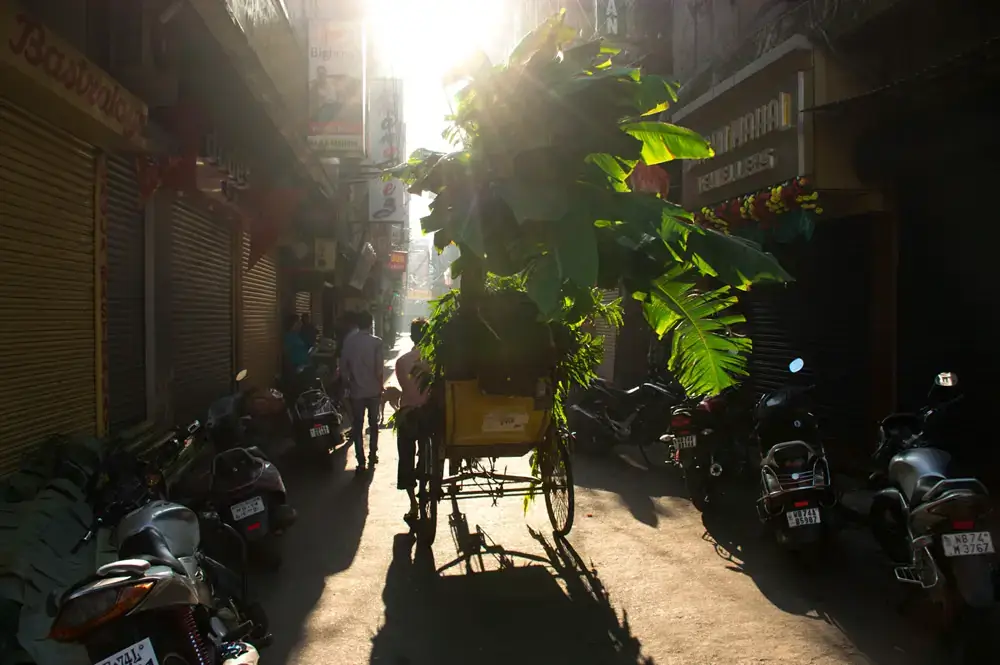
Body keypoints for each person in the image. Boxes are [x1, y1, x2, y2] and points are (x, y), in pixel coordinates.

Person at [395, 318, 431, 522]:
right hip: (428, 414)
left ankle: (413, 505)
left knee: (406, 457)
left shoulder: (402, 362)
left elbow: (405, 388)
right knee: (428, 454)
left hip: (408, 414)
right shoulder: (434, 360)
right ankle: (426, 487)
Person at [340, 310, 383, 473]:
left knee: (358, 425)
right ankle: (373, 454)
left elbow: (343, 367)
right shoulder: (377, 342)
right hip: (373, 391)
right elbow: (379, 369)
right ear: (371, 323)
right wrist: (380, 387)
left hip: (356, 391)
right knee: (373, 424)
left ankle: (361, 460)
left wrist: (348, 383)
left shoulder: (349, 342)